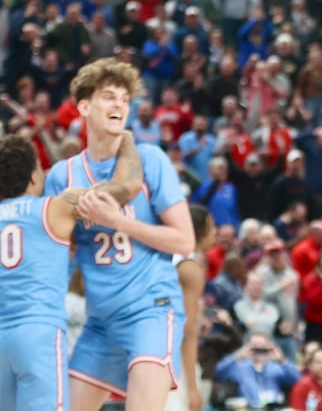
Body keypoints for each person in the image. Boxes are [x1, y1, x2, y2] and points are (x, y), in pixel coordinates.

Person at [43, 58, 196, 411]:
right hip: (100, 321)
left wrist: (120, 221)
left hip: (151, 311)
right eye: (109, 97)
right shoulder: (62, 176)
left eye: (124, 99)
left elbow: (184, 240)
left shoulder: (151, 160)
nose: (119, 106)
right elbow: (60, 254)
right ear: (84, 106)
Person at [0, 133, 143, 411]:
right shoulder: (56, 207)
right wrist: (127, 144)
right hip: (37, 330)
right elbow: (127, 186)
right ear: (33, 177)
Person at [165, 204, 217, 411]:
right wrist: (193, 389)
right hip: (173, 358)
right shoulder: (190, 268)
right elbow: (188, 332)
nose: (215, 231)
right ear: (199, 231)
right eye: (211, 226)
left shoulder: (169, 257)